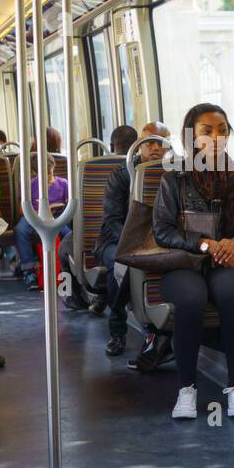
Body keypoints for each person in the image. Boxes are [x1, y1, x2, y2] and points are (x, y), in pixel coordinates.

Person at [153, 103, 234, 420]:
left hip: (227, 259)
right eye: (207, 131)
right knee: (191, 298)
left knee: (232, 295)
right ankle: (187, 388)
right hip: (185, 261)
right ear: (191, 137)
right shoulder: (175, 177)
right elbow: (162, 231)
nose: (216, 137)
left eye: (222, 130)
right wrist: (204, 243)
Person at [94, 122, 169, 358]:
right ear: (139, 146)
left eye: (162, 143)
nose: (156, 148)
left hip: (160, 240)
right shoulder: (121, 176)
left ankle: (161, 332)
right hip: (116, 240)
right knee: (122, 264)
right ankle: (118, 331)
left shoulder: (173, 174)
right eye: (150, 143)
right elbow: (112, 220)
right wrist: (138, 242)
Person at [15, 153, 69, 291]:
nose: (48, 177)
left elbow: (69, 205)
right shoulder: (31, 185)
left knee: (69, 233)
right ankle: (29, 271)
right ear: (35, 173)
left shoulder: (63, 183)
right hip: (35, 217)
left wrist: (58, 207)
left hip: (57, 216)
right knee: (20, 230)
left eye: (50, 173)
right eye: (43, 174)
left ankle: (68, 268)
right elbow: (24, 208)